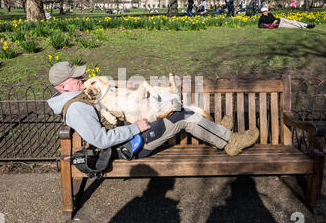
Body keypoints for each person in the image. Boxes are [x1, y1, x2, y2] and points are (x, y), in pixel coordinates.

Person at [47, 62, 260, 158]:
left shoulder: (77, 97)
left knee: (175, 109)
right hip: (129, 146)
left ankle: (217, 134)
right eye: (76, 78)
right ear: (63, 86)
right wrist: (135, 127)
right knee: (179, 115)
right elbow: (101, 140)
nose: (82, 79)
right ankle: (230, 142)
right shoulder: (76, 107)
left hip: (132, 135)